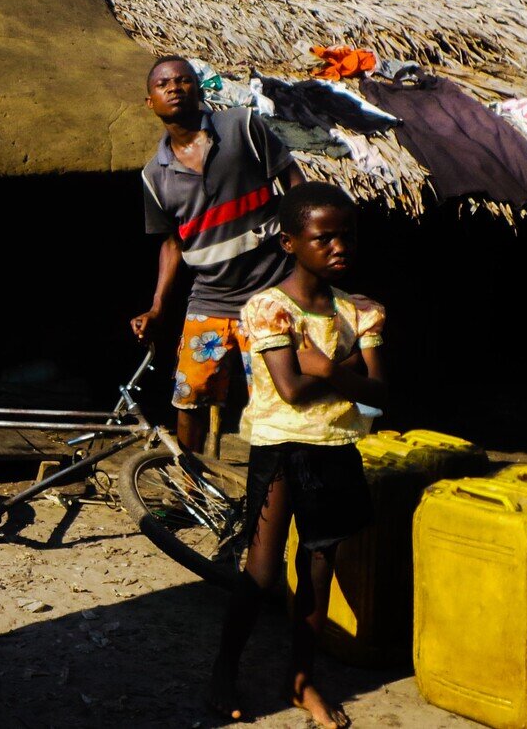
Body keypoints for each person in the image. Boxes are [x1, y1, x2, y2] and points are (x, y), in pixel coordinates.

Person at [209, 182, 388, 728]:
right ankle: (223, 673)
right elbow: (288, 388)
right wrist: (348, 374)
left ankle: (300, 679)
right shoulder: (269, 308)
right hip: (281, 447)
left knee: (317, 568)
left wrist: (331, 369)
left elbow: (382, 392)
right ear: (290, 243)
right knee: (262, 572)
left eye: (347, 237)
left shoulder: (362, 310)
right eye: (323, 238)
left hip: (335, 446)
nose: (339, 247)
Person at [131, 55, 304, 453]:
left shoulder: (242, 126)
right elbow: (172, 243)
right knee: (189, 395)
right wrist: (157, 307)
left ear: (198, 88)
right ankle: (192, 488)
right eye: (162, 84)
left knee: (276, 396)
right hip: (210, 299)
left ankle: (280, 481)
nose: (174, 87)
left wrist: (303, 252)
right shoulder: (153, 176)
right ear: (150, 102)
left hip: (271, 292)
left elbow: (292, 180)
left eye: (183, 80)